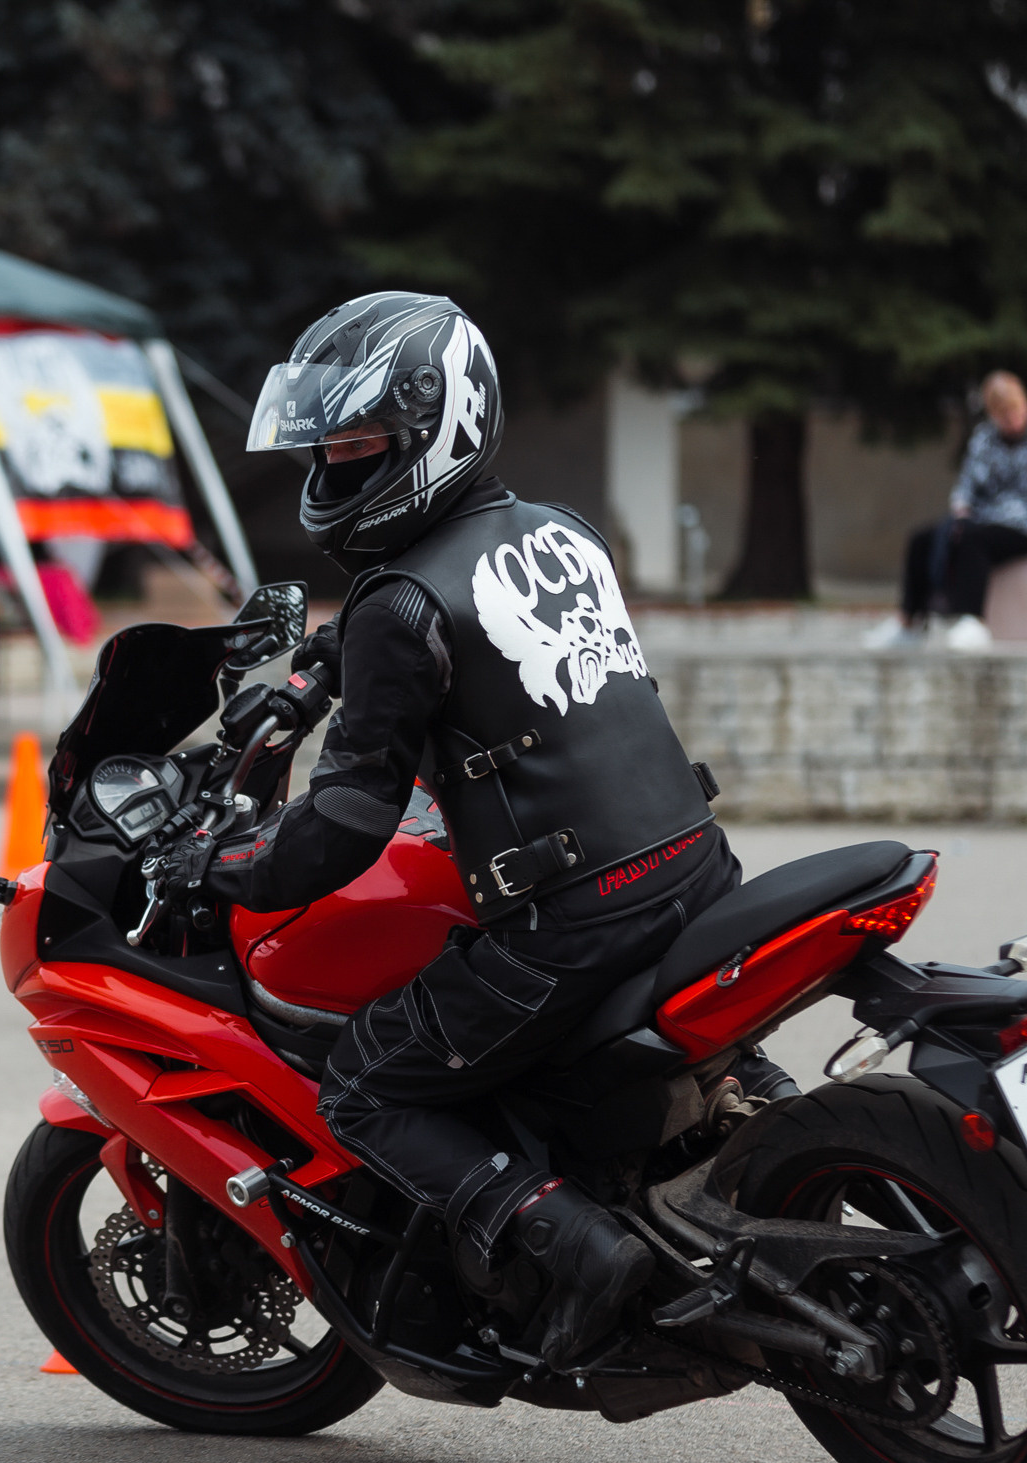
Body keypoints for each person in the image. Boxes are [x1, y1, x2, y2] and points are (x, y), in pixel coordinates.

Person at [192, 291, 783, 1373]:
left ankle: (580, 1248)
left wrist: (224, 866)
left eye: (362, 445)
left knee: (365, 1081)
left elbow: (344, 826)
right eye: (326, 447)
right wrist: (317, 671)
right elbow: (482, 645)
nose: (334, 468)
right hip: (694, 867)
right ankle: (748, 1110)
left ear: (436, 431)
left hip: (572, 917)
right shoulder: (565, 532)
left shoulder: (396, 605)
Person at [874, 371, 1027, 651]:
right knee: (923, 539)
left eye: (1016, 410)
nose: (1013, 419)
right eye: (1004, 415)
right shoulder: (984, 438)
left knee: (973, 538)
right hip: (989, 517)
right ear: (992, 414)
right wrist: (960, 510)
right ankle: (908, 623)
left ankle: (972, 620)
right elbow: (966, 486)